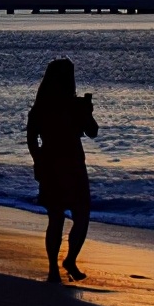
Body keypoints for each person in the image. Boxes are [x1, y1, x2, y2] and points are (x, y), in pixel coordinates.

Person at [26, 58, 98, 283]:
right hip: (69, 165)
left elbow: (31, 139)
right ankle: (65, 263)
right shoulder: (70, 105)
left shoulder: (42, 107)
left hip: (55, 164)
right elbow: (93, 132)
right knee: (78, 216)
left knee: (58, 218)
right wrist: (87, 113)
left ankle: (56, 268)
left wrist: (38, 160)